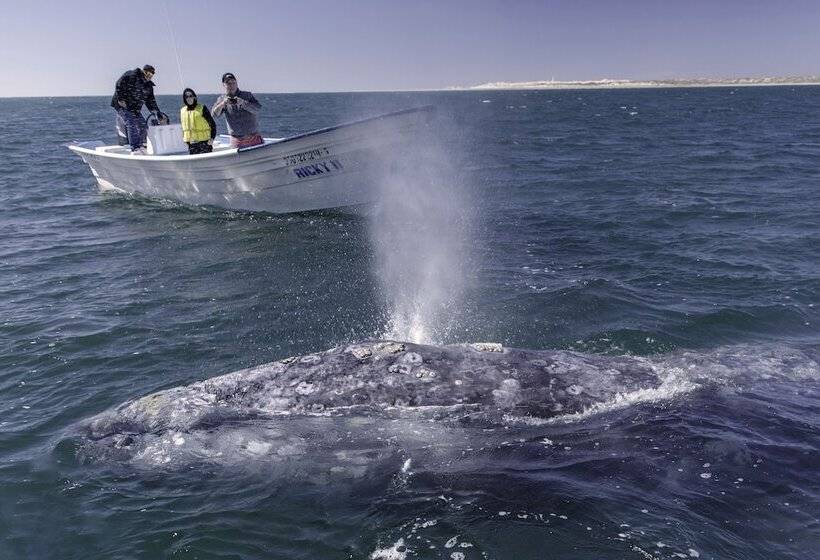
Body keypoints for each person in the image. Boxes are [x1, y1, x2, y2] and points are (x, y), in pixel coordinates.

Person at [110, 64, 166, 155]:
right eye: (148, 73)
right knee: (131, 122)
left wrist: (158, 114)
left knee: (143, 125)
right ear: (144, 71)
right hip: (122, 105)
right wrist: (120, 99)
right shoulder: (132, 75)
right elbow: (119, 83)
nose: (149, 76)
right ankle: (135, 148)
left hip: (135, 109)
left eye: (151, 75)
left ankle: (141, 145)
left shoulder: (148, 86)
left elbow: (151, 102)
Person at [211, 72, 263, 148]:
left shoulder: (247, 95)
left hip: (254, 137)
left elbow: (257, 109)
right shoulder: (221, 99)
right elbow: (214, 115)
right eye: (228, 83)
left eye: (233, 82)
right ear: (224, 85)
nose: (231, 85)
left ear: (236, 83)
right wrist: (222, 104)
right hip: (237, 140)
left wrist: (243, 103)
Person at [180, 88, 217, 154]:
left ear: (194, 97)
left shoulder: (202, 108)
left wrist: (212, 138)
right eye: (186, 96)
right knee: (195, 163)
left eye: (190, 96)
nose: (189, 98)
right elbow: (183, 128)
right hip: (191, 145)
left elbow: (213, 124)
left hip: (205, 143)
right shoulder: (182, 111)